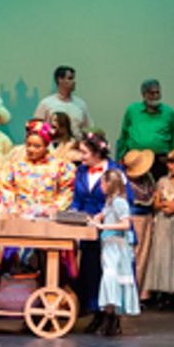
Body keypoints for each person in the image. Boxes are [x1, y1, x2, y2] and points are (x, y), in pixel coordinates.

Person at [70, 134, 131, 332]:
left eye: (84, 152)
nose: (81, 156)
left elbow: (125, 198)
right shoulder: (80, 171)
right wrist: (73, 213)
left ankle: (112, 317)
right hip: (89, 228)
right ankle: (96, 313)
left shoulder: (115, 171)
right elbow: (77, 199)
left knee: (111, 273)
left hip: (111, 227)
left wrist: (105, 214)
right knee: (91, 272)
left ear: (97, 153)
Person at [141, 148, 174, 305]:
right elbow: (156, 203)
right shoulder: (163, 182)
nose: (170, 166)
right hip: (164, 220)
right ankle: (162, 291)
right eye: (169, 163)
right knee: (161, 254)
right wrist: (166, 204)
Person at [93, 169, 140, 336]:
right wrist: (98, 218)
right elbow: (106, 215)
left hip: (116, 246)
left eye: (102, 183)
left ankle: (111, 317)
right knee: (109, 278)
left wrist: (104, 226)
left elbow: (125, 224)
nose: (101, 186)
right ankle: (110, 317)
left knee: (111, 278)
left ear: (109, 184)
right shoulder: (110, 202)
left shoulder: (120, 202)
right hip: (108, 244)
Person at [0, 119, 77, 217]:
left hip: (49, 217)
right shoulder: (14, 167)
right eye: (29, 145)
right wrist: (13, 208)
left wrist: (55, 208)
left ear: (45, 147)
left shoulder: (61, 167)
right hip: (20, 216)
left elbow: (67, 191)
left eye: (37, 146)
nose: (31, 149)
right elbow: (6, 188)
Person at [118, 79, 174, 170]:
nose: (155, 96)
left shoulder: (169, 112)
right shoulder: (132, 110)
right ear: (144, 95)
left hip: (160, 160)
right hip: (136, 158)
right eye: (151, 93)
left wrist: (173, 160)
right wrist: (120, 158)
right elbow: (124, 135)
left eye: (157, 92)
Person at [123, 150, 156, 297]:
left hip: (146, 217)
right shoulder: (125, 182)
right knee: (133, 255)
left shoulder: (147, 179)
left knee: (143, 256)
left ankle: (139, 292)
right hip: (133, 218)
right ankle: (129, 293)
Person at [33, 65, 90, 139]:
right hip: (53, 147)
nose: (73, 82)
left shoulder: (81, 104)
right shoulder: (46, 104)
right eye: (70, 78)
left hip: (77, 146)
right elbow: (37, 127)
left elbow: (88, 128)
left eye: (73, 79)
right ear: (60, 79)